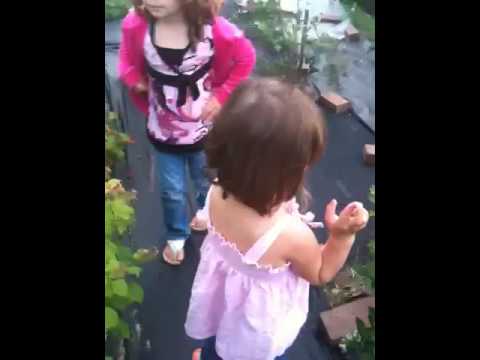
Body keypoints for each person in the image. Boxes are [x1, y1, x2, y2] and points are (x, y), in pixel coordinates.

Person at [185, 78, 369, 360]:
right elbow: (320, 272)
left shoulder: (216, 191)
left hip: (221, 305)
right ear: (290, 172)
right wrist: (342, 236)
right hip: (252, 335)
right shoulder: (290, 235)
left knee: (216, 339)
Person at [118, 0, 256, 265]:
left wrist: (222, 96)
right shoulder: (138, 25)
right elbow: (125, 60)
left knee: (207, 182)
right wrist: (134, 79)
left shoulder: (215, 30)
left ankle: (210, 219)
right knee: (172, 190)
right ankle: (176, 235)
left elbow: (246, 58)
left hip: (204, 132)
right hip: (164, 132)